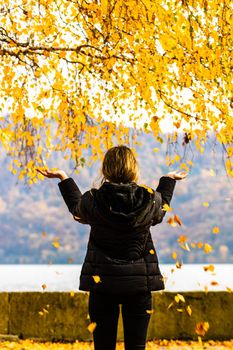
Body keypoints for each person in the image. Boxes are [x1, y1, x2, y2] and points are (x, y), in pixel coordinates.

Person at [37, 145, 187, 350]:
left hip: (102, 286)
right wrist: (168, 180)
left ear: (106, 169)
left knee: (103, 346)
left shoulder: (92, 200)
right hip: (139, 287)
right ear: (133, 169)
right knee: (137, 347)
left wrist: (64, 178)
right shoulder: (149, 199)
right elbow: (162, 208)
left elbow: (77, 209)